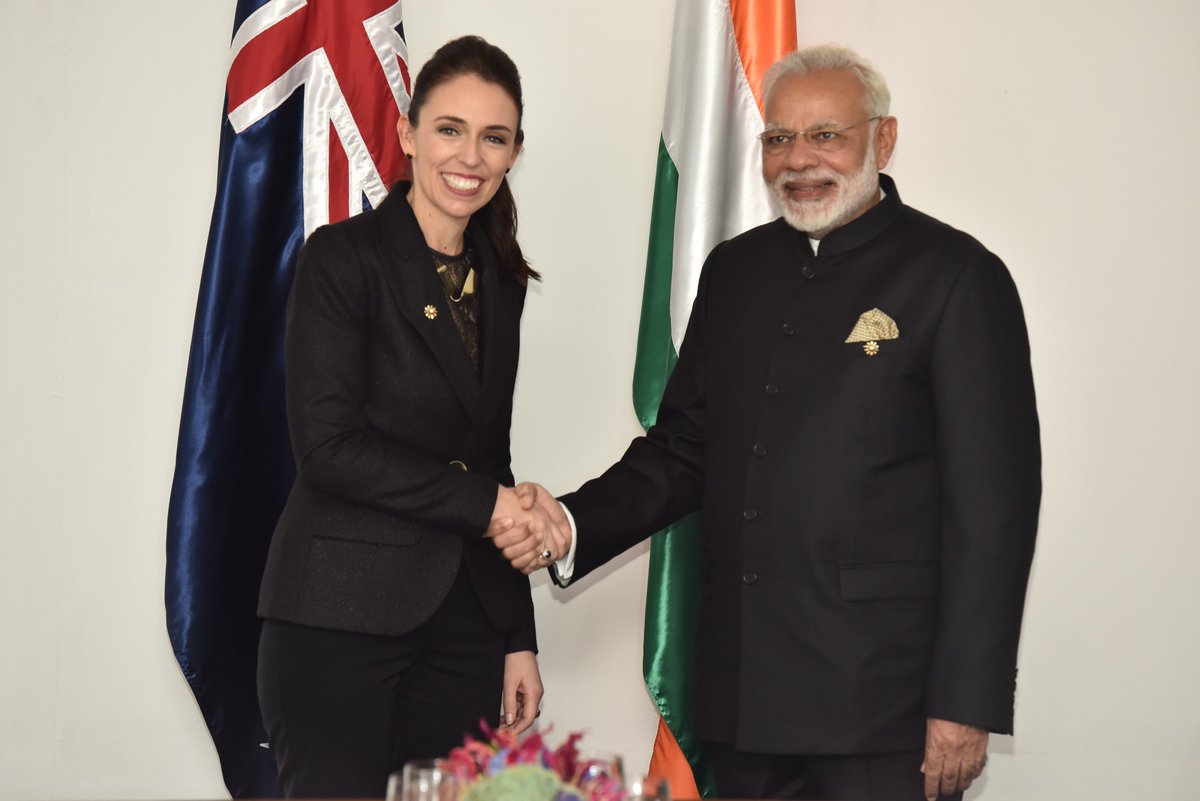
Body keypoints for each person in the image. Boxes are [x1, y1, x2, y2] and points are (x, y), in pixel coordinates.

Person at [494, 44, 1041, 801]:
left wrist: (965, 700)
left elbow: (995, 511)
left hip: (887, 708)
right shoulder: (736, 270)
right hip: (745, 698)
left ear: (882, 140)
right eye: (779, 138)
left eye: (826, 134)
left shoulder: (956, 276)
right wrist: (571, 522)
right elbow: (684, 450)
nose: (799, 158)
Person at [256, 35, 564, 798]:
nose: (471, 155)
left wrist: (515, 637)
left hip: (462, 626)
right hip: (337, 615)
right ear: (407, 133)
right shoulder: (341, 258)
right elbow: (328, 447)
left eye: (494, 137)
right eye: (450, 129)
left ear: (515, 151)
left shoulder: (502, 280)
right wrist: (490, 504)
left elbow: (492, 456)